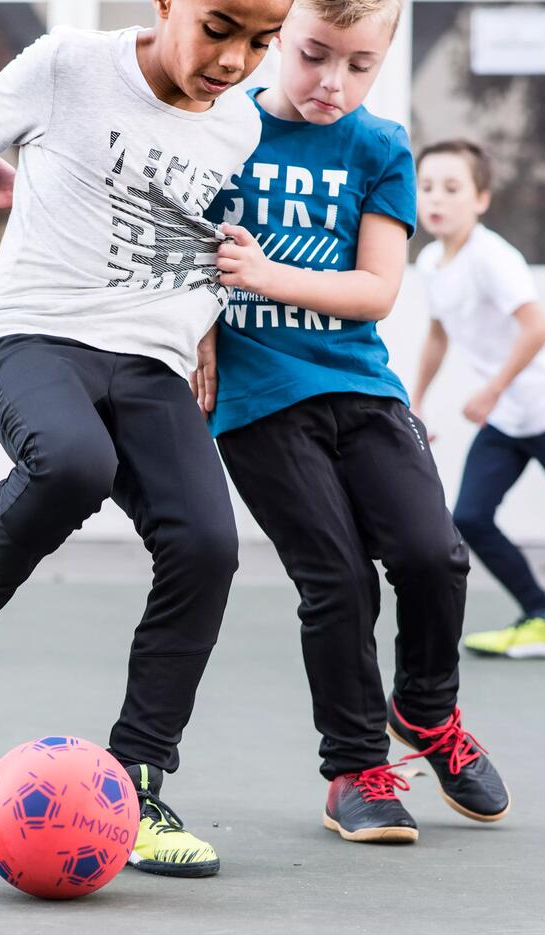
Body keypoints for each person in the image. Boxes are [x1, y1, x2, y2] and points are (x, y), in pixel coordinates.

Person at [0, 0, 292, 877]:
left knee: (207, 544)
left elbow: (192, 237)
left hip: (149, 364)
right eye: (221, 28)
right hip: (36, 336)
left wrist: (201, 328)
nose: (236, 61)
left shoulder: (237, 126)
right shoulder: (68, 65)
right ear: (166, 5)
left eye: (262, 42)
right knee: (76, 463)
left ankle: (141, 782)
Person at [194, 0, 510, 842]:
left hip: (362, 389)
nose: (333, 82)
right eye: (312, 55)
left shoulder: (380, 147)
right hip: (260, 403)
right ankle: (353, 770)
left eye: (358, 65)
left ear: (384, 60)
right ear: (275, 39)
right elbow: (181, 252)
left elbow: (376, 289)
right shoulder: (221, 130)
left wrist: (259, 277)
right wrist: (198, 335)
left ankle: (427, 711)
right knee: (337, 581)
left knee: (435, 556)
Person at [411, 139, 545, 659]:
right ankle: (543, 617)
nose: (437, 199)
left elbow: (536, 328)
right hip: (509, 420)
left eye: (453, 188)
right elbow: (437, 334)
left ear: (481, 199)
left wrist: (492, 389)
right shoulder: (431, 260)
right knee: (470, 517)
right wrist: (418, 400)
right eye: (427, 187)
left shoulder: (493, 257)